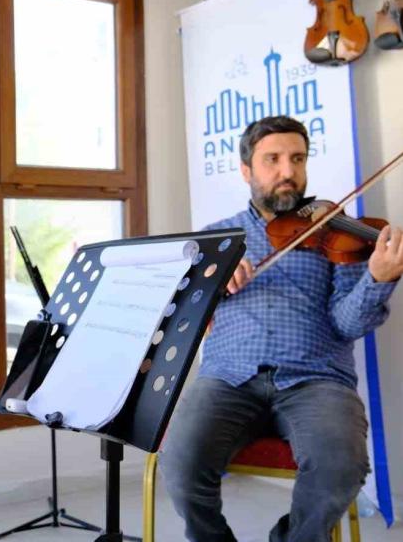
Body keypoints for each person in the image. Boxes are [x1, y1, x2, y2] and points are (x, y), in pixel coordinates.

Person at [159, 115, 403, 542]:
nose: (288, 171)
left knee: (341, 466)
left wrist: (377, 279)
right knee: (180, 464)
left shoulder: (338, 232)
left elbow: (348, 324)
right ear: (246, 170)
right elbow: (181, 319)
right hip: (228, 377)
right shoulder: (216, 239)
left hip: (317, 379)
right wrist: (212, 282)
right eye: (272, 159)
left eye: (298, 158)